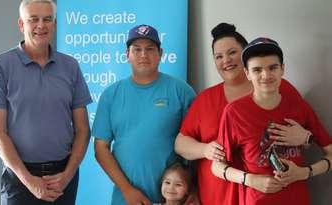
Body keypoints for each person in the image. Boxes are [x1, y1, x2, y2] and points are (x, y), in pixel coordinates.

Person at [175, 23, 311, 205]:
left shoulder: (281, 87)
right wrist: (205, 150)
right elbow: (180, 144)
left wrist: (305, 137)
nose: (226, 60)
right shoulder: (205, 99)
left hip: (271, 195)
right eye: (219, 56)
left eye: (232, 53)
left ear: (246, 55)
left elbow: (309, 133)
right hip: (220, 195)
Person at [0, 0, 92, 204]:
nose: (41, 25)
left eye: (47, 19)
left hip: (63, 178)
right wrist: (29, 181)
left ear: (55, 24)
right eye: (33, 19)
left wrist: (67, 176)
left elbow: (83, 129)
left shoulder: (70, 66)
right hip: (19, 179)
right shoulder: (0, 66)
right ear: (21, 25)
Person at [211, 37, 332, 205]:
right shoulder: (234, 112)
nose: (265, 75)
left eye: (272, 67)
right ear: (247, 73)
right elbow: (217, 167)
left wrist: (305, 172)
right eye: (257, 69)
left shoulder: (300, 107)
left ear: (282, 69)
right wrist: (250, 179)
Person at [92, 24, 196, 205]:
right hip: (125, 198)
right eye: (137, 49)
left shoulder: (181, 91)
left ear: (160, 53)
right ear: (127, 55)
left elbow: (197, 145)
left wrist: (194, 189)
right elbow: (101, 148)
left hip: (172, 199)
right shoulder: (111, 94)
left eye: (149, 49)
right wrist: (127, 189)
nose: (143, 55)